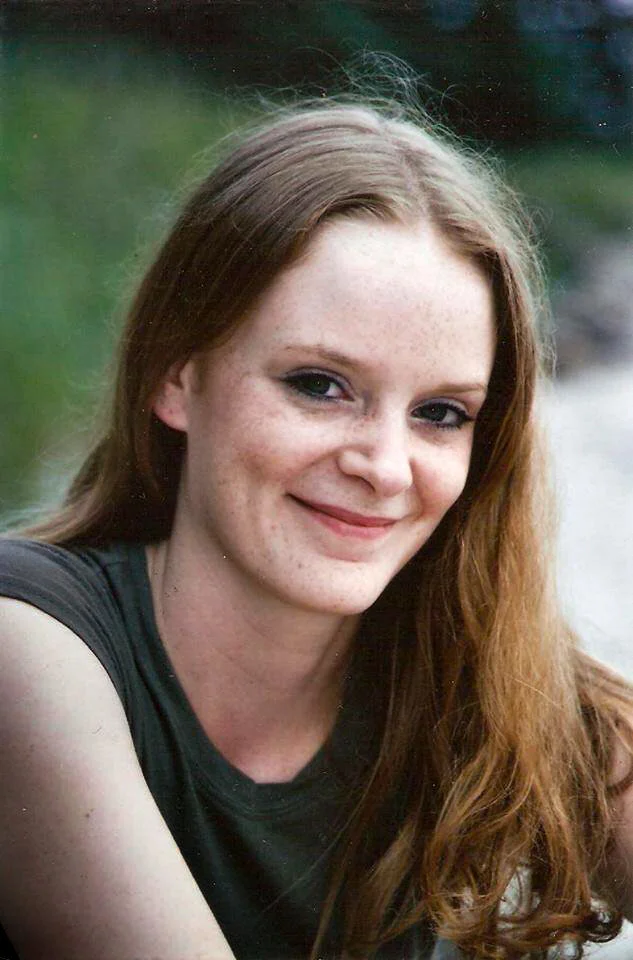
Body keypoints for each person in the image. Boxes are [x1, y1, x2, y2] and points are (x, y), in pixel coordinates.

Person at [1, 99, 632, 960]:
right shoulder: (29, 644)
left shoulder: (484, 672)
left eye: (440, 413)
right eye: (318, 385)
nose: (385, 466)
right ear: (175, 374)